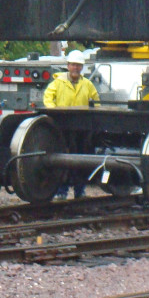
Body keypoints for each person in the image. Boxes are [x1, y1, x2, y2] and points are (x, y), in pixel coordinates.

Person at [43, 49, 99, 200]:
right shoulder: (57, 83)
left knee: (82, 159)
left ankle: (80, 191)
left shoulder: (87, 85)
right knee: (63, 160)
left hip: (82, 129)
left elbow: (96, 102)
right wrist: (55, 113)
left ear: (82, 68)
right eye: (73, 65)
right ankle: (62, 192)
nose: (76, 68)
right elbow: (48, 99)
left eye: (78, 65)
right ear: (68, 66)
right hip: (63, 128)